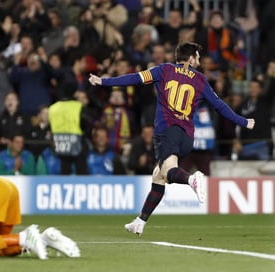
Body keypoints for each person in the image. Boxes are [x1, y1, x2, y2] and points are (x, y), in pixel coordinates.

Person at [89, 42, 255, 236]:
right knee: (158, 176)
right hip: (187, 136)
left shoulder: (163, 70)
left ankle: (192, 179)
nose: (199, 61)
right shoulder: (200, 80)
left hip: (167, 130)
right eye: (198, 57)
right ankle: (140, 221)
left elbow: (135, 78)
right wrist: (243, 121)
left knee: (167, 170)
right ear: (191, 58)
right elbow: (220, 106)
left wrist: (104, 82)